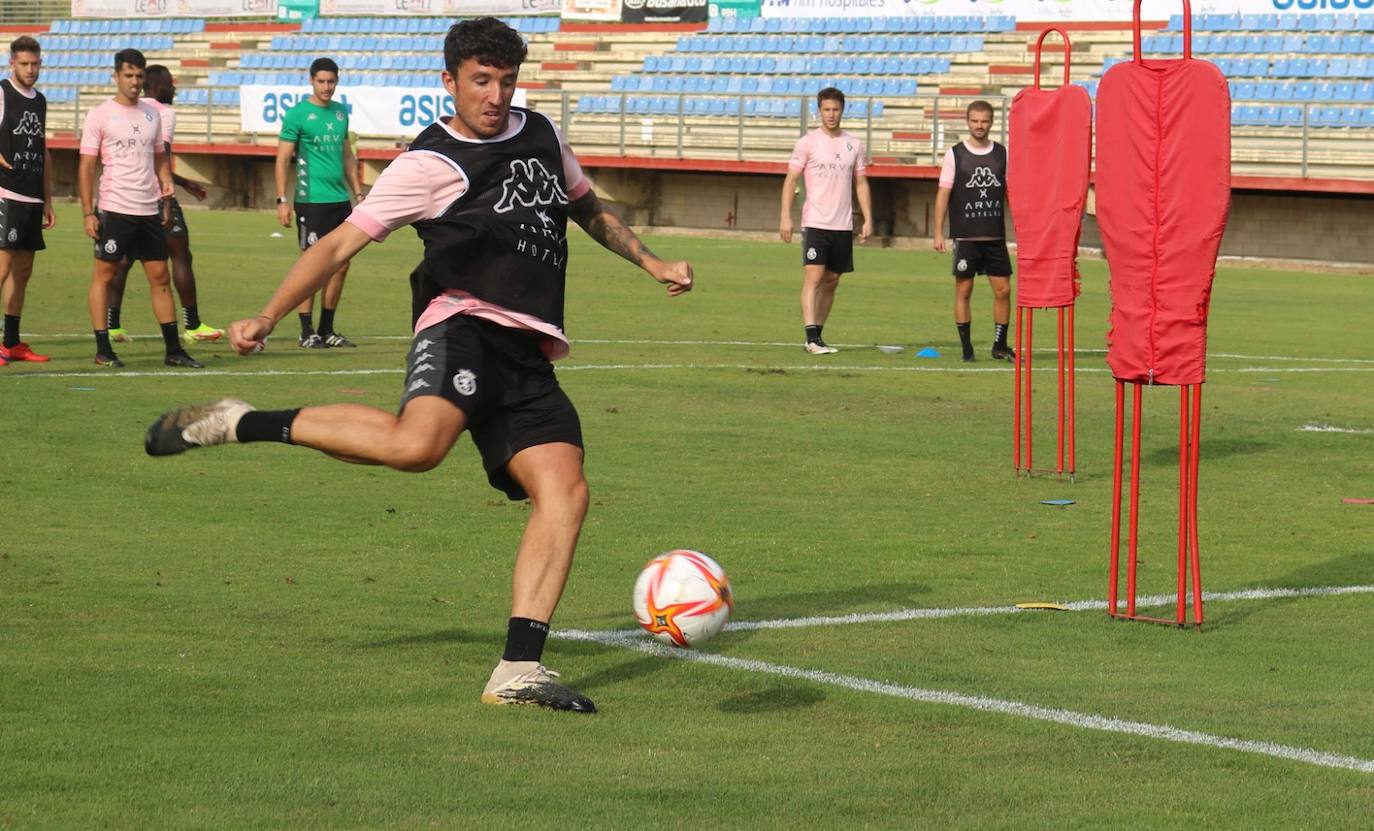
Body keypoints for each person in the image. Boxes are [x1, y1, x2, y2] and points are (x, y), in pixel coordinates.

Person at [145, 17, 693, 713]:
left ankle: (518, 669)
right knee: (416, 446)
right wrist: (269, 313)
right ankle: (243, 421)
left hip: (528, 353)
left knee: (567, 491)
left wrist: (653, 264)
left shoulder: (543, 135)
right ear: (450, 82)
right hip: (461, 325)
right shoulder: (428, 163)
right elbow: (340, 243)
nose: (496, 95)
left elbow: (586, 209)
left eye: (506, 80)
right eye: (480, 81)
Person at [79, 48, 201, 368]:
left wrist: (165, 192)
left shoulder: (152, 114)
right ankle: (103, 348)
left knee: (160, 276)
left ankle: (173, 349)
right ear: (116, 76)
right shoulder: (100, 115)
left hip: (148, 208)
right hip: (115, 207)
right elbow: (86, 166)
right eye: (128, 75)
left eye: (139, 76)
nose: (134, 82)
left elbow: (160, 157)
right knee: (104, 276)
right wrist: (88, 212)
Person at [106, 65, 223, 346]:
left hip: (123, 195)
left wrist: (185, 183)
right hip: (156, 196)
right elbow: (162, 158)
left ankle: (112, 326)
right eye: (171, 83)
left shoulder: (132, 109)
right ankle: (192, 325)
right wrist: (169, 197)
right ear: (159, 85)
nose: (176, 87)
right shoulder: (162, 113)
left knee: (122, 260)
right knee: (180, 255)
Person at [275, 57, 362, 349]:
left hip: (340, 201)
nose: (327, 87)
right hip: (311, 201)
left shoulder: (340, 113)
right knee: (310, 265)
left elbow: (347, 155)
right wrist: (282, 199)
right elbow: (283, 159)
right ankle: (305, 330)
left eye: (331, 81)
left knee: (341, 265)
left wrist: (358, 193)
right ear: (311, 80)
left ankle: (327, 329)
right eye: (321, 81)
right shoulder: (298, 114)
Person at [779, 86, 872, 355]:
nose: (831, 115)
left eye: (835, 110)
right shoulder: (808, 142)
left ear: (843, 110)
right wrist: (786, 216)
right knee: (814, 277)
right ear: (819, 111)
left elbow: (862, 182)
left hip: (842, 225)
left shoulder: (854, 144)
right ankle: (810, 337)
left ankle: (817, 336)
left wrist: (867, 218)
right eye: (826, 110)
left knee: (832, 280)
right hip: (815, 222)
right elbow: (790, 181)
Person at [933, 100, 1015, 363]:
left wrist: (1022, 227)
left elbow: (1012, 194)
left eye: (985, 121)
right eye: (975, 121)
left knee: (1003, 290)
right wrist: (938, 232)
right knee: (964, 290)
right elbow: (943, 194)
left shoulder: (1003, 154)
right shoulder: (955, 154)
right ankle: (967, 348)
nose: (979, 126)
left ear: (992, 122)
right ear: (967, 121)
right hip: (966, 237)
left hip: (995, 237)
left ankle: (1000, 345)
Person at [0, 36, 55, 366]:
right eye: (24, 64)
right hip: (6, 192)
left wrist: (47, 199)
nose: (30, 70)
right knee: (2, 268)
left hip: (33, 196)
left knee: (23, 271)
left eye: (35, 64)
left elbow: (44, 152)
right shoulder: (2, 92)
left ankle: (12, 341)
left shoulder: (40, 100)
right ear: (12, 64)